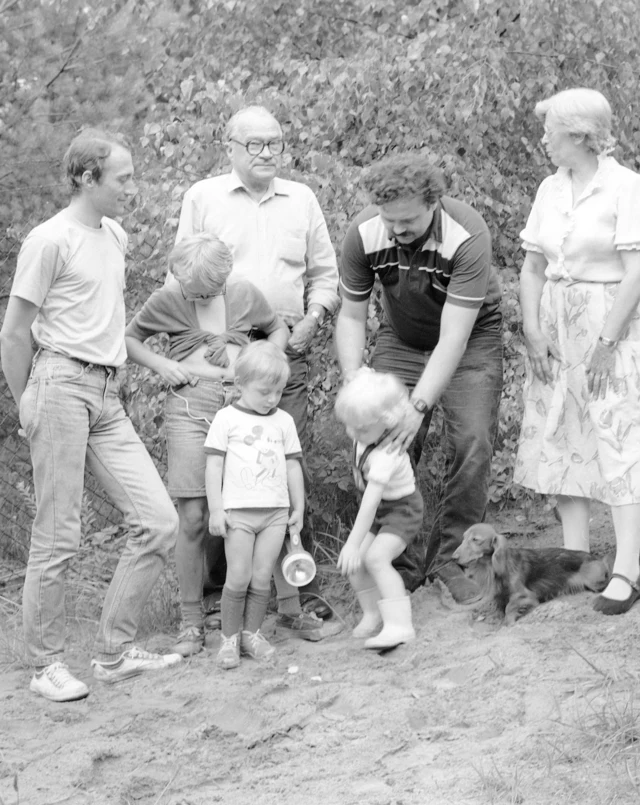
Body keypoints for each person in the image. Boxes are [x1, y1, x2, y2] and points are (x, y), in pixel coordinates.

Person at [0, 128, 182, 703]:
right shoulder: (49, 240)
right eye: (124, 178)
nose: (134, 187)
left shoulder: (117, 235)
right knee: (58, 535)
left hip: (107, 393)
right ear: (86, 178)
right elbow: (13, 330)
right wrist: (23, 398)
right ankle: (46, 665)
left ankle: (113, 653)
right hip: (58, 385)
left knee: (158, 521)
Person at [176, 104, 341, 637]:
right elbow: (181, 275)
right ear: (230, 146)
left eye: (275, 143)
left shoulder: (303, 199)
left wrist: (315, 319)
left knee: (281, 466)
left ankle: (295, 592)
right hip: (220, 350)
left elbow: (325, 274)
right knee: (220, 475)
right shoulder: (203, 197)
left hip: (284, 347)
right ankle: (215, 601)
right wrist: (202, 350)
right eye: (255, 144)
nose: (268, 152)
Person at [514, 88, 640, 615]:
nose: (543, 138)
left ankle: (627, 568)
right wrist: (533, 331)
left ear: (580, 135)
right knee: (563, 435)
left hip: (614, 322)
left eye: (551, 130)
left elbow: (638, 271)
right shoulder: (549, 189)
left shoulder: (626, 187)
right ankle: (577, 562)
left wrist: (607, 341)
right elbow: (532, 267)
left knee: (621, 432)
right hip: (558, 324)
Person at [336, 153, 504, 604]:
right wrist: (357, 382)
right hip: (403, 337)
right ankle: (397, 563)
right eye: (388, 220)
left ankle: (453, 561)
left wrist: (418, 406)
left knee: (472, 440)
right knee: (384, 438)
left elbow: (453, 336)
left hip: (470, 339)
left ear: (434, 204)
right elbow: (351, 316)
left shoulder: (467, 235)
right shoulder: (366, 231)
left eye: (407, 221)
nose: (396, 230)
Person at [125, 234, 290, 657]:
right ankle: (190, 620)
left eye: (205, 292)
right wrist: (164, 365)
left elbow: (277, 329)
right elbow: (130, 340)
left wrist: (261, 365)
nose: (195, 296)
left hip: (242, 405)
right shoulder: (168, 298)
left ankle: (252, 611)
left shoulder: (244, 295)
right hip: (189, 403)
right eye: (190, 290)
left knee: (247, 504)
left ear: (225, 278)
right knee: (195, 515)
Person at [202, 341, 305, 668]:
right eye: (264, 392)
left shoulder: (284, 421)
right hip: (238, 515)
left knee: (262, 578)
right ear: (240, 384)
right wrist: (216, 509)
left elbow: (292, 466)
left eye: (278, 391)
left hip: (275, 515)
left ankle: (252, 634)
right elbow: (213, 466)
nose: (272, 399)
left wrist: (297, 507)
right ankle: (229, 640)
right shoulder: (226, 419)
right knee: (239, 576)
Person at [335, 370, 423, 650]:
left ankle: (400, 626)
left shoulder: (387, 454)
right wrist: (353, 549)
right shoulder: (364, 430)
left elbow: (370, 503)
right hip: (381, 508)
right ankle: (373, 613)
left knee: (375, 558)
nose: (353, 434)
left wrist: (351, 543)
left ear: (387, 422)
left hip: (402, 509)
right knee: (356, 564)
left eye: (360, 429)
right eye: (350, 426)